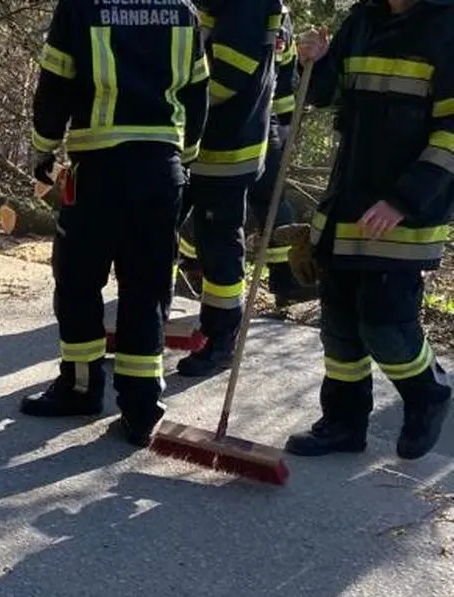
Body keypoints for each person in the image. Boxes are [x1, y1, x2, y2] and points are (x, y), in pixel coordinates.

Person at [18, 0, 209, 447]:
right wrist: (186, 156)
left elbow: (55, 85)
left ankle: (81, 388)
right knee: (147, 287)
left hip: (99, 170)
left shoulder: (81, 7)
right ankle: (142, 410)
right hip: (161, 168)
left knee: (78, 280)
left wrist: (43, 149)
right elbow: (198, 93)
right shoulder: (183, 11)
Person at [286, 0, 453, 459]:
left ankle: (429, 394)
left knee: (385, 325)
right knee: (339, 325)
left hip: (407, 212)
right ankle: (342, 423)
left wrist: (404, 200)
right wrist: (314, 61)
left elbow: (451, 134)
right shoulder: (362, 20)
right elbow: (323, 94)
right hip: (349, 201)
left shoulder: (446, 27)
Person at [174, 0, 285, 378]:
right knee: (162, 226)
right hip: (196, 143)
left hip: (226, 149)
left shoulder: (246, 6)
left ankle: (220, 339)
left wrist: (169, 101)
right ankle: (149, 320)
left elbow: (224, 78)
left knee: (219, 246)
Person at [251, 5, 318, 307]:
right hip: (235, 123)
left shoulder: (280, 13)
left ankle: (287, 279)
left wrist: (284, 128)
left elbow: (286, 70)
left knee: (271, 200)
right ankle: (190, 260)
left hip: (262, 125)